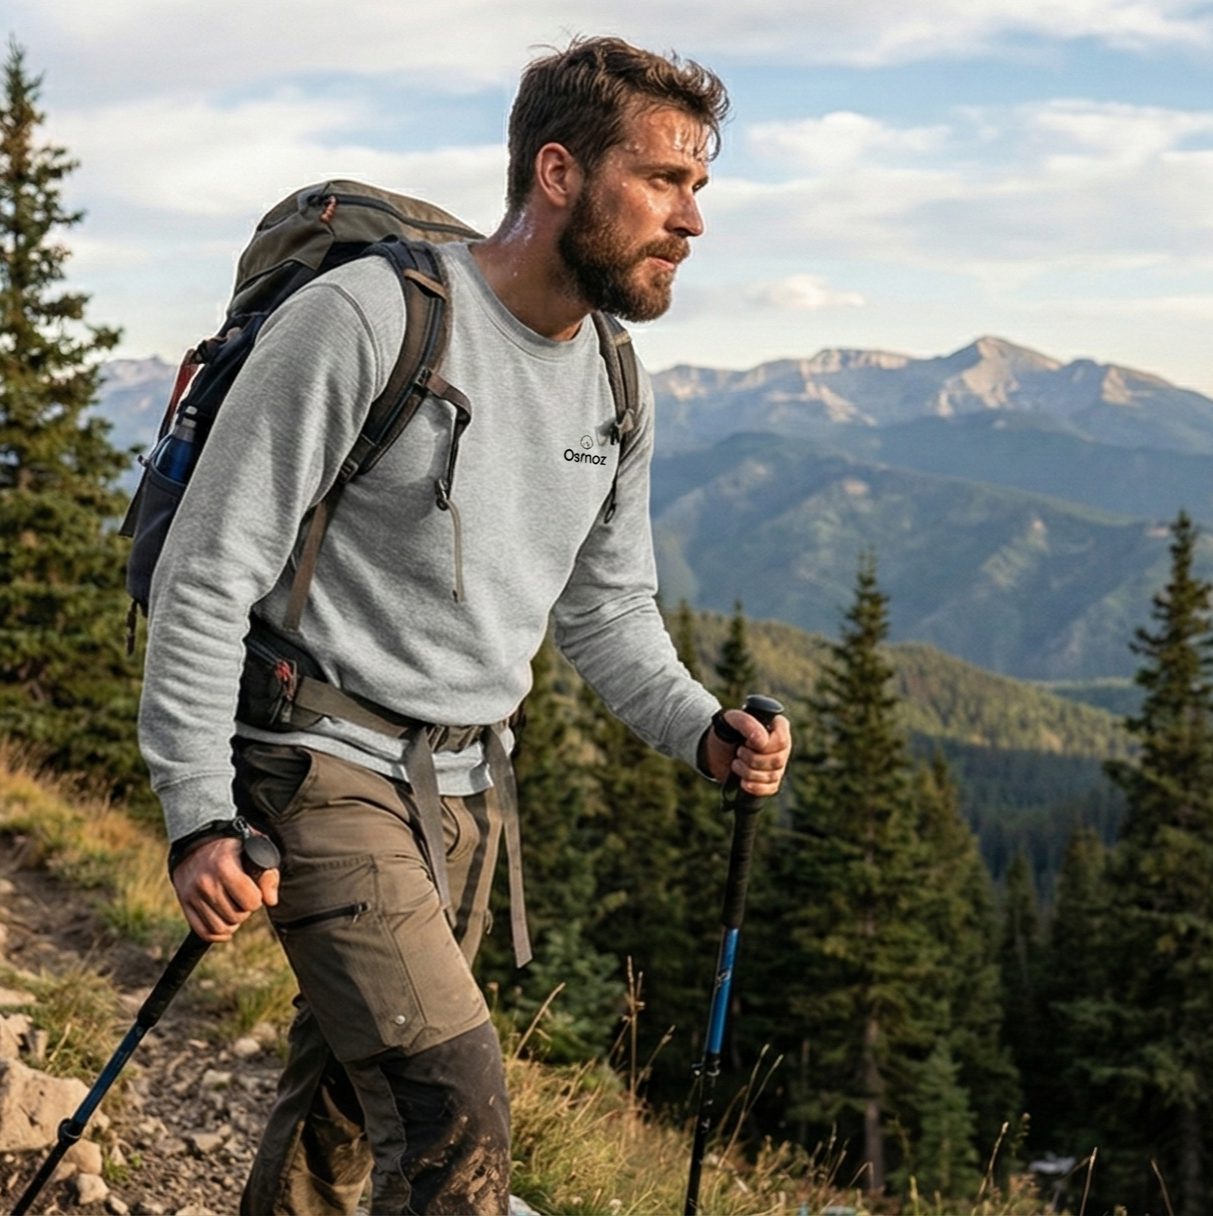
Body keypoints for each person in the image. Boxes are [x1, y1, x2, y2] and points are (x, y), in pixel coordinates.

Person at [138, 35, 792, 1216]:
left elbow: (606, 608)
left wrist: (701, 729)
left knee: (346, 1100)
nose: (692, 221)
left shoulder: (614, 378)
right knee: (454, 1105)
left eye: (699, 186)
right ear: (557, 174)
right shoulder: (369, 319)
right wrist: (197, 812)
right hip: (318, 760)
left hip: (463, 795)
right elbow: (205, 570)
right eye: (664, 180)